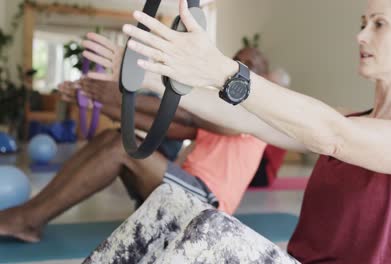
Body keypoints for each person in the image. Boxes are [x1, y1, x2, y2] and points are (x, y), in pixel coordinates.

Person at [85, 0, 391, 263]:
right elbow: (246, 118)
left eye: (378, 24)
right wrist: (153, 77)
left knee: (210, 228)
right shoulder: (352, 118)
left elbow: (333, 135)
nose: (361, 36)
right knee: (170, 205)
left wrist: (224, 71)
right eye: (362, 24)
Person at [0, 36, 269, 243]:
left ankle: (27, 219)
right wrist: (98, 101)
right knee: (116, 138)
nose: (241, 68)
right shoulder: (220, 110)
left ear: (262, 78)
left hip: (209, 210)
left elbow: (188, 116)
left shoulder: (257, 116)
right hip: (185, 189)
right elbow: (166, 125)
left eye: (250, 65)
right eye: (237, 62)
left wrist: (116, 95)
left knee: (121, 149)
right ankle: (31, 213)